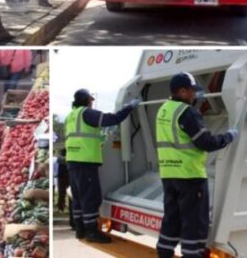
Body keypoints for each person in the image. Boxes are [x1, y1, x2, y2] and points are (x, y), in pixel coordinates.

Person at [156, 73, 238, 258]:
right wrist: (229, 136)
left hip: (169, 175)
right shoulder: (187, 112)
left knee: (171, 219)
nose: (194, 95)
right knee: (194, 224)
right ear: (182, 91)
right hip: (190, 176)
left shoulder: (164, 109)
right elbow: (206, 142)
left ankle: (163, 253)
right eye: (192, 91)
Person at [66, 88, 139, 243]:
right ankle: (92, 231)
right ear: (87, 100)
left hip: (73, 161)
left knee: (78, 198)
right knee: (90, 198)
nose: (92, 103)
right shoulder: (86, 113)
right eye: (91, 100)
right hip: (85, 162)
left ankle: (80, 229)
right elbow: (111, 119)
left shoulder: (71, 116)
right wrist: (130, 107)